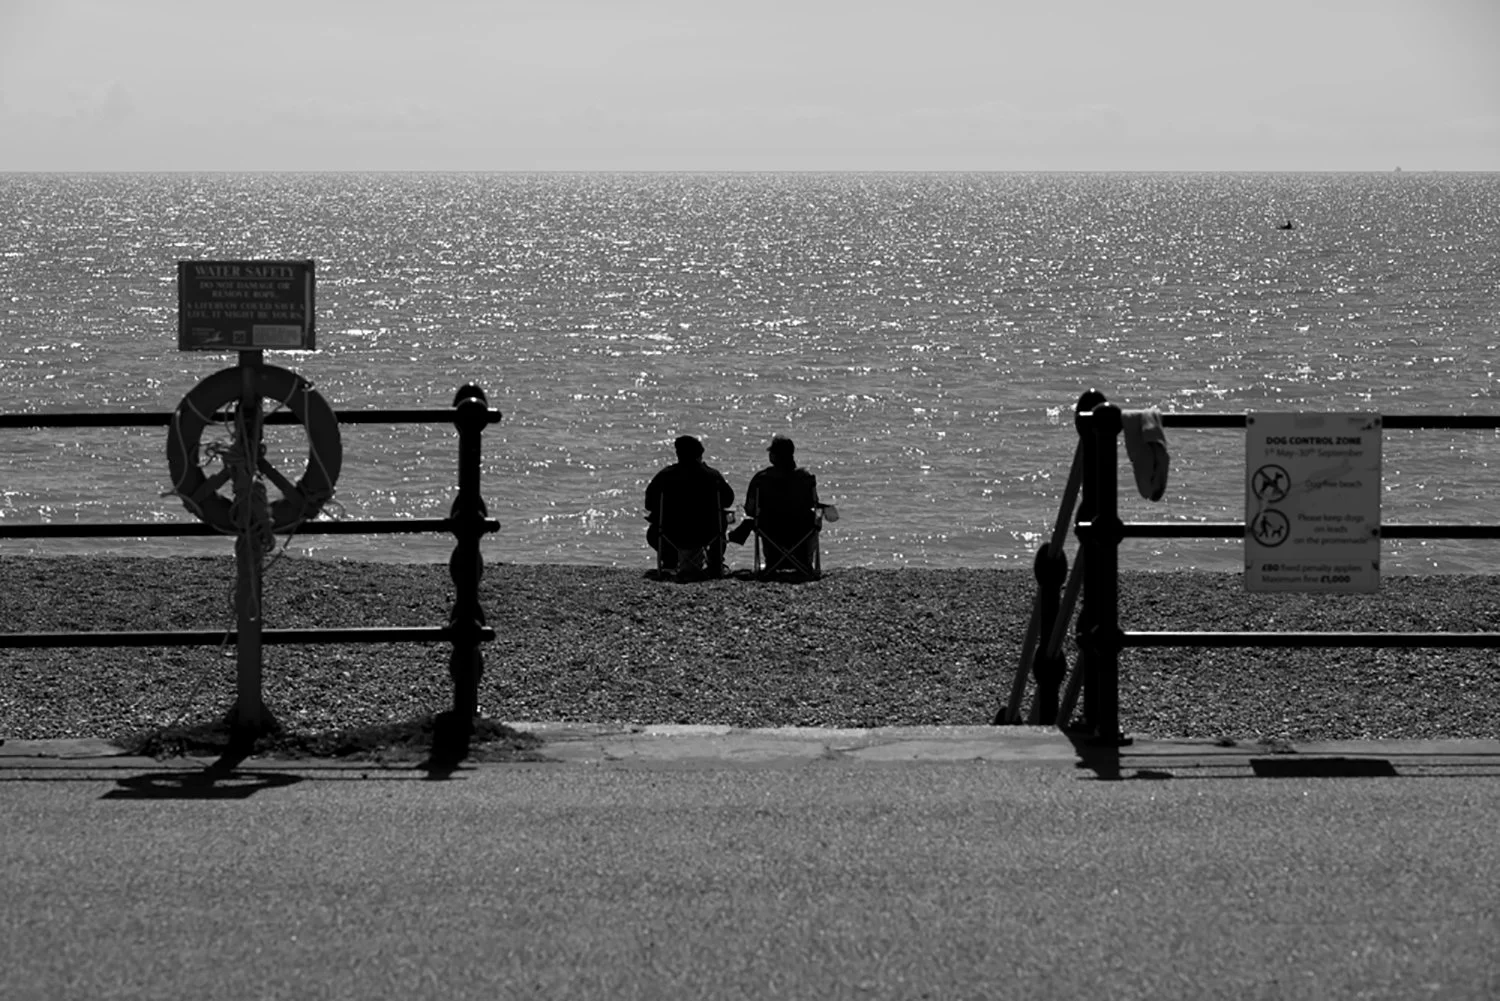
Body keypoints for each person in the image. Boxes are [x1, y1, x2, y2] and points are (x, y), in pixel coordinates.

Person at [644, 435, 734, 574]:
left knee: (654, 529)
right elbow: (728, 500)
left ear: (678, 454)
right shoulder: (712, 475)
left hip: (672, 532)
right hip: (706, 532)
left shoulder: (665, 475)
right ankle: (715, 562)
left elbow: (649, 504)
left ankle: (669, 561)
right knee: (722, 518)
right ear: (699, 455)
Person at [730, 434, 820, 571]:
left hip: (770, 530)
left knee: (753, 521)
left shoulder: (761, 479)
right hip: (801, 529)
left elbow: (750, 510)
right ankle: (805, 562)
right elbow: (814, 503)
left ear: (774, 456)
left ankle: (772, 563)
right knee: (815, 519)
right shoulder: (805, 477)